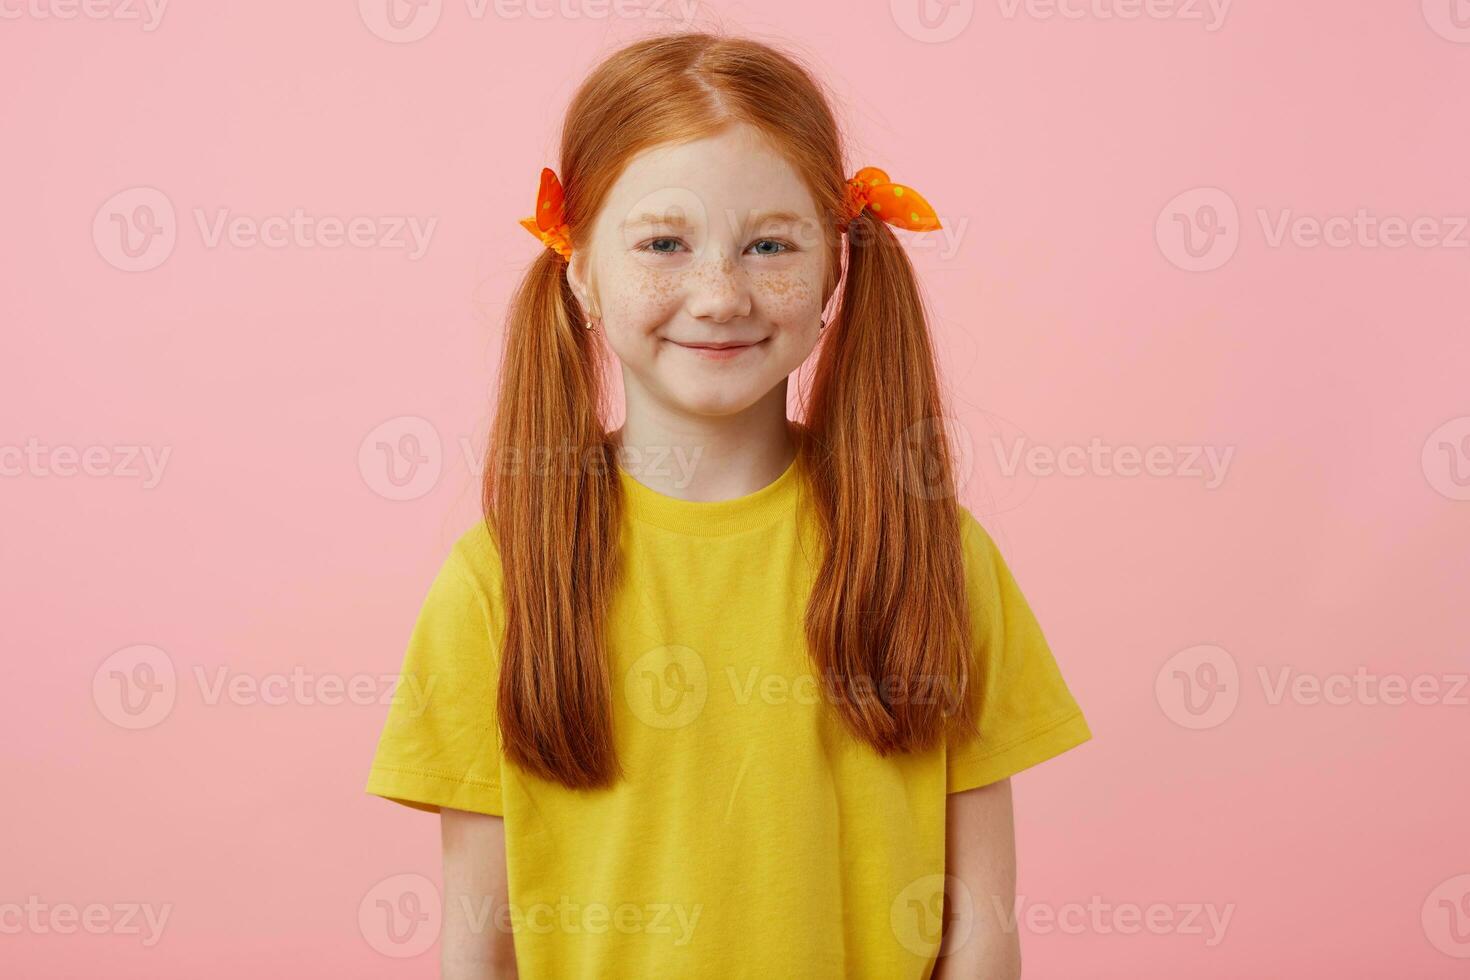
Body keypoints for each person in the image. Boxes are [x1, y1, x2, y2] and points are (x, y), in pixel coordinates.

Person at [366, 30, 1091, 979]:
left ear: (835, 267)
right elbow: (479, 943)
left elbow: (982, 929)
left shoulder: (934, 556)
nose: (719, 295)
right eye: (664, 242)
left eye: (769, 246)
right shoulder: (496, 581)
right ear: (579, 264)